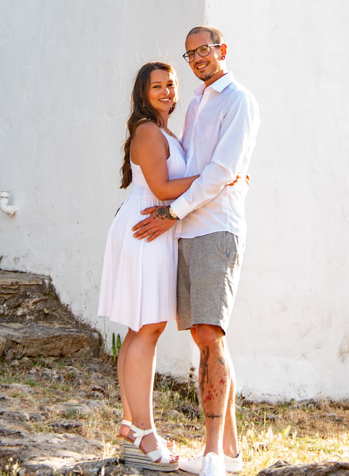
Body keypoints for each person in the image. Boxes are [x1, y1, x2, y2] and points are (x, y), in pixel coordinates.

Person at [133, 27, 259, 476]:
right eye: (190, 55)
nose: (198, 59)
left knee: (210, 337)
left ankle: (210, 457)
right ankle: (230, 454)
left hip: (216, 229)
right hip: (187, 231)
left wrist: (171, 211)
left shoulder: (238, 100)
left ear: (222, 50)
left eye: (204, 50)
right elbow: (192, 165)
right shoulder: (194, 104)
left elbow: (221, 170)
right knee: (206, 340)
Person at [99, 62, 199, 471]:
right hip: (148, 229)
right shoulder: (148, 130)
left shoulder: (163, 131)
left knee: (142, 327)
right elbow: (161, 188)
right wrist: (216, 177)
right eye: (157, 86)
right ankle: (144, 429)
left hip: (152, 226)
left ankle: (132, 426)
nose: (166, 91)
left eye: (171, 84)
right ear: (143, 92)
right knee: (147, 327)